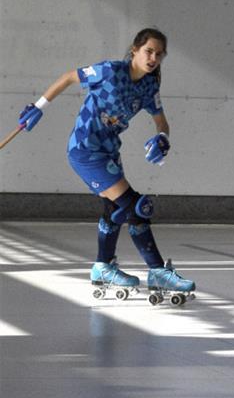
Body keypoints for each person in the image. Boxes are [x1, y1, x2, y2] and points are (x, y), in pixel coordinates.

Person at [15, 28, 195, 301]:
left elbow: (162, 122)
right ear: (135, 50)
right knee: (136, 206)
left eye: (159, 54)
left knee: (114, 209)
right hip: (85, 150)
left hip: (110, 152)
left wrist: (163, 138)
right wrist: (39, 106)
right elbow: (69, 77)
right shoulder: (109, 71)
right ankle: (157, 270)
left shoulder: (149, 86)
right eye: (149, 51)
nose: (153, 58)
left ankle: (103, 267)